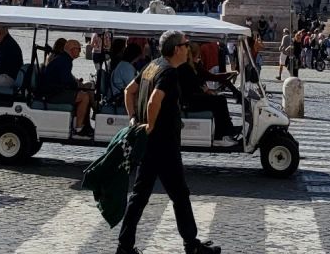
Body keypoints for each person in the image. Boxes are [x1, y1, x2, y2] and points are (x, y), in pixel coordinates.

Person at [115, 30, 221, 254]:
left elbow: (129, 91)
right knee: (179, 195)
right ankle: (191, 245)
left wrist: (134, 119)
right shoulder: (169, 72)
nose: (188, 47)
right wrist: (151, 125)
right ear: (177, 49)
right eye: (186, 44)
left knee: (140, 195)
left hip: (149, 144)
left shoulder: (152, 65)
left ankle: (124, 246)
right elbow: (155, 100)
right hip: (163, 143)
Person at [39, 37, 96, 135]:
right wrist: (77, 85)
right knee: (84, 96)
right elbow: (66, 80)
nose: (80, 52)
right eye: (78, 49)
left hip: (55, 91)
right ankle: (79, 128)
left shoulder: (64, 59)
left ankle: (84, 122)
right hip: (53, 94)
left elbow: (66, 78)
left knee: (83, 91)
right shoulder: (64, 61)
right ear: (72, 50)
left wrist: (77, 84)